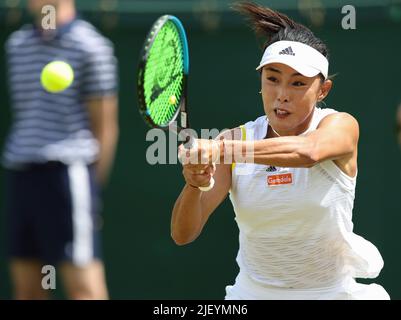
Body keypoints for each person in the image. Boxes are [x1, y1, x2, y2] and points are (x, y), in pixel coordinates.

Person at [171, 2, 389, 300]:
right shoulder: (235, 140)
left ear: (323, 90)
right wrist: (194, 184)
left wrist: (222, 149)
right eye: (272, 79)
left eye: (298, 83)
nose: (282, 95)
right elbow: (183, 234)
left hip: (332, 294)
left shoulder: (340, 126)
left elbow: (308, 152)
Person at [3, 0, 118, 299]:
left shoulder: (92, 46)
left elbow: (104, 128)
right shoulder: (17, 46)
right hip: (23, 172)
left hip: (69, 176)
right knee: (28, 290)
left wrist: (91, 193)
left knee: (84, 290)